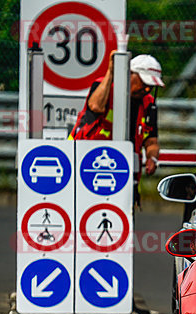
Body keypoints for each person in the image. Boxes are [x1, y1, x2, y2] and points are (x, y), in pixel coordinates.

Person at [70, 53, 165, 205]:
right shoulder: (105, 88)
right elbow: (95, 106)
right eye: (143, 82)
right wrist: (111, 73)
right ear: (129, 74)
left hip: (123, 174)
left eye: (151, 86)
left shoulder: (149, 103)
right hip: (87, 164)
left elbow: (151, 140)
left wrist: (152, 158)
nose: (147, 89)